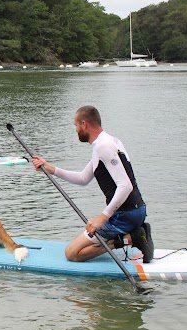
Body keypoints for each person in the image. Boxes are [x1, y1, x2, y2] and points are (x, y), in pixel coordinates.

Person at [31, 105, 154, 263]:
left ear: (84, 124)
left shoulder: (103, 146)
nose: (76, 130)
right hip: (137, 210)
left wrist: (102, 218)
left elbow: (126, 185)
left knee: (72, 253)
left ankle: (131, 238)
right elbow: (83, 178)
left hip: (125, 215)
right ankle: (133, 233)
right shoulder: (109, 142)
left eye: (76, 125)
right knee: (77, 249)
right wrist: (50, 169)